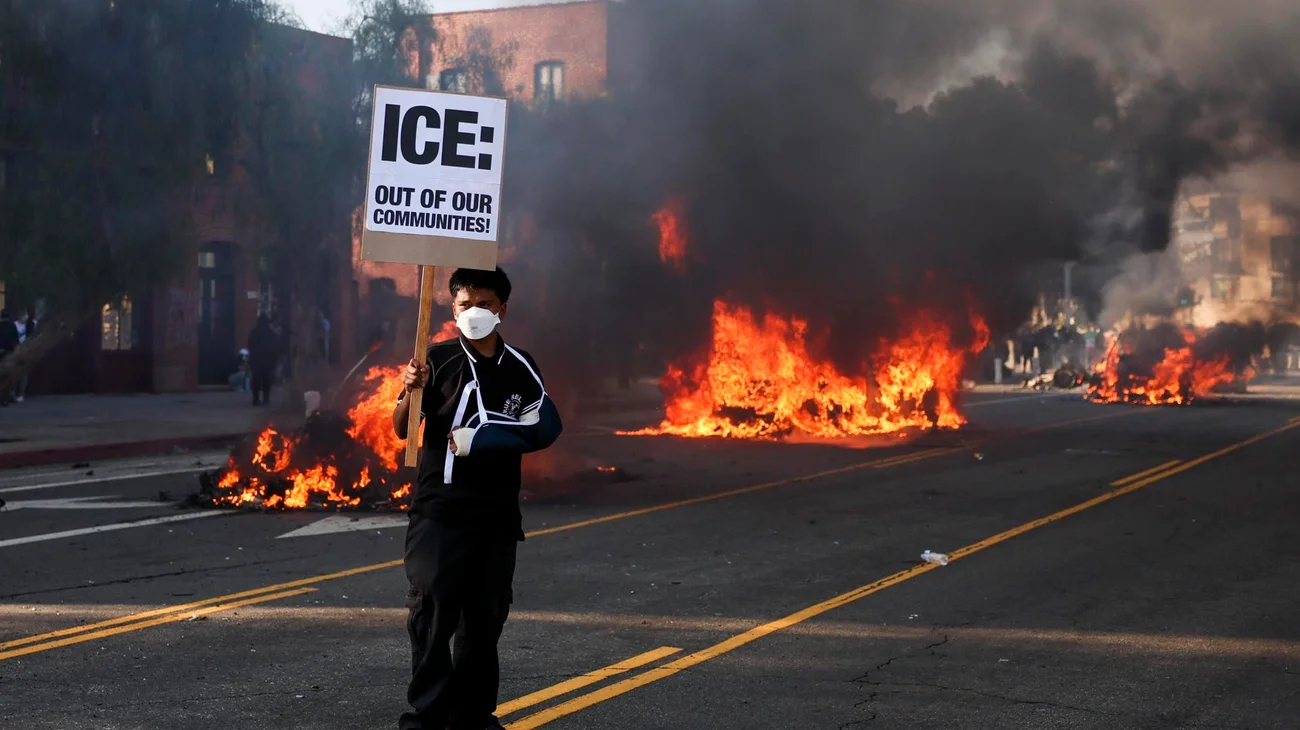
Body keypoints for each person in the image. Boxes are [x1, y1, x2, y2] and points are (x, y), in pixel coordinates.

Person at [391, 267, 562, 730]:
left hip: (495, 514)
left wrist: (483, 439)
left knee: (484, 624)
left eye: (484, 305)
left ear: (502, 308)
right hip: (439, 512)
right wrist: (409, 391)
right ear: (452, 308)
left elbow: (544, 429)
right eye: (465, 305)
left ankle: (474, 717)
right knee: (431, 616)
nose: (474, 313)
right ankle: (428, 716)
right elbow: (402, 429)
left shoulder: (521, 366)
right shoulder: (435, 360)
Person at [246, 314, 280, 406]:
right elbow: (275, 346)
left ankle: (255, 399)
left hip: (256, 360)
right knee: (266, 381)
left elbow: (250, 345)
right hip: (267, 361)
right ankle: (266, 399)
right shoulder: (270, 333)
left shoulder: (254, 332)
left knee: (256, 381)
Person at [0, 311, 18, 405]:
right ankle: (6, 396)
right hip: (9, 353)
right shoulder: (12, 326)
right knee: (7, 375)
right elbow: (16, 341)